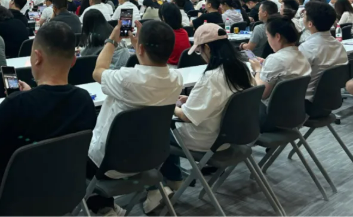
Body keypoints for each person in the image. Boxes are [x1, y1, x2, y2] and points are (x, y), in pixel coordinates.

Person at [0, 22, 96, 216]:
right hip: (61, 193)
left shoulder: (15, 105)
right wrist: (33, 93)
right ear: (74, 60)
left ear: (37, 57)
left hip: (4, 200)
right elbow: (52, 119)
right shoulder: (84, 101)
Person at [89, 20, 183, 213]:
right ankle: (143, 195)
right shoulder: (176, 79)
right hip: (150, 159)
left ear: (140, 48)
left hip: (109, 164)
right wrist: (140, 48)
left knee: (74, 150)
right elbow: (151, 73)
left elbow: (98, 71)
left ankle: (104, 209)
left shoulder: (127, 79)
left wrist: (112, 40)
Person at [158, 24, 253, 210]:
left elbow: (186, 116)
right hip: (232, 136)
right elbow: (222, 101)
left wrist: (170, 105)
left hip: (206, 139)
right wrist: (190, 100)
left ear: (208, 48)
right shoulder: (241, 69)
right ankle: (173, 178)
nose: (200, 55)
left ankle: (160, 185)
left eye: (199, 50)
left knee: (156, 129)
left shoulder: (212, 77)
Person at [249, 15, 311, 129]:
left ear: (277, 36)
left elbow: (262, 93)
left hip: (272, 118)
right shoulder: (301, 54)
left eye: (268, 36)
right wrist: (266, 64)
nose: (268, 40)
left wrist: (258, 70)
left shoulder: (276, 59)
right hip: (296, 113)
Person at [299, 2, 348, 116]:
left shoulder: (306, 48)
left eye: (304, 16)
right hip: (331, 101)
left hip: (307, 105)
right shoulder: (339, 46)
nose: (302, 18)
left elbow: (295, 79)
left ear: (310, 24)